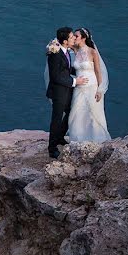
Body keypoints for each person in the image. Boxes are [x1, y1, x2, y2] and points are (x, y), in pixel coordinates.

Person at [45, 27, 89, 158]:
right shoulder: (55, 54)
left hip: (66, 90)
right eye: (71, 37)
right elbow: (56, 77)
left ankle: (59, 136)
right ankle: (52, 148)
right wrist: (76, 82)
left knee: (70, 111)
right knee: (56, 119)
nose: (74, 38)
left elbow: (67, 69)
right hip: (58, 91)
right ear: (65, 41)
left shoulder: (66, 51)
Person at [66, 27, 110, 144]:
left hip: (92, 86)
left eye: (77, 36)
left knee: (93, 114)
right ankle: (77, 139)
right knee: (76, 113)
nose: (74, 38)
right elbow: (61, 43)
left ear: (84, 38)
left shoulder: (92, 52)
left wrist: (100, 90)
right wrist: (53, 45)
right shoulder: (75, 50)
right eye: (73, 36)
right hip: (79, 87)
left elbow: (98, 71)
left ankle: (97, 140)